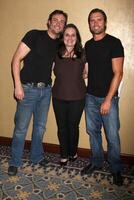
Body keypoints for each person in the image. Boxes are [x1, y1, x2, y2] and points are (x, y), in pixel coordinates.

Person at [8, 10, 68, 176]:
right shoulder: (34, 35)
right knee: (21, 128)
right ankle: (15, 161)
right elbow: (15, 60)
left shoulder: (59, 45)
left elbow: (59, 66)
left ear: (63, 26)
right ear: (48, 22)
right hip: (27, 88)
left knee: (40, 128)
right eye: (55, 19)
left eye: (62, 21)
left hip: (46, 90)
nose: (58, 23)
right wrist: (17, 86)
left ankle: (36, 156)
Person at [81, 8, 124, 186]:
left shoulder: (114, 43)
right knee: (93, 132)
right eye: (92, 20)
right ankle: (96, 162)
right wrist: (83, 71)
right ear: (89, 24)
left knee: (112, 136)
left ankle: (115, 169)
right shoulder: (88, 45)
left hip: (109, 98)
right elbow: (89, 67)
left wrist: (107, 99)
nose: (95, 23)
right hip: (90, 96)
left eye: (99, 20)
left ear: (105, 22)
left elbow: (118, 73)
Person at [52, 24, 87, 166]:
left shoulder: (83, 54)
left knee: (73, 127)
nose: (70, 38)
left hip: (77, 98)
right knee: (61, 127)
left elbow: (86, 73)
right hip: (58, 97)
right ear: (62, 37)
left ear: (77, 38)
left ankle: (73, 152)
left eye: (73, 35)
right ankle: (64, 154)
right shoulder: (56, 54)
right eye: (67, 34)